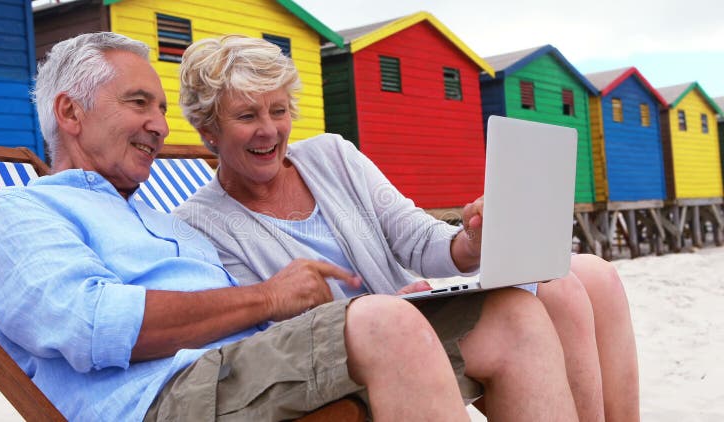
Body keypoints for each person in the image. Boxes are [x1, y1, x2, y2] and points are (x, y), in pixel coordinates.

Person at [0, 32, 578, 421]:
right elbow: (92, 324)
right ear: (70, 111)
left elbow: (260, 322)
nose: (158, 124)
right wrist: (275, 297)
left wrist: (346, 309)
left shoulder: (151, 220)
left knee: (512, 315)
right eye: (138, 103)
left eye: (160, 107)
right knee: (387, 321)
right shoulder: (22, 213)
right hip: (165, 400)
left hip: (240, 369)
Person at [174, 35, 638, 421]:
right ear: (207, 129)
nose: (269, 130)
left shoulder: (332, 156)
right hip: (351, 353)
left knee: (593, 272)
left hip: (417, 310)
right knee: (553, 294)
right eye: (247, 116)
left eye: (279, 111)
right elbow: (266, 341)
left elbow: (414, 237)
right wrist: (377, 309)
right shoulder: (201, 224)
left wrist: (469, 241)